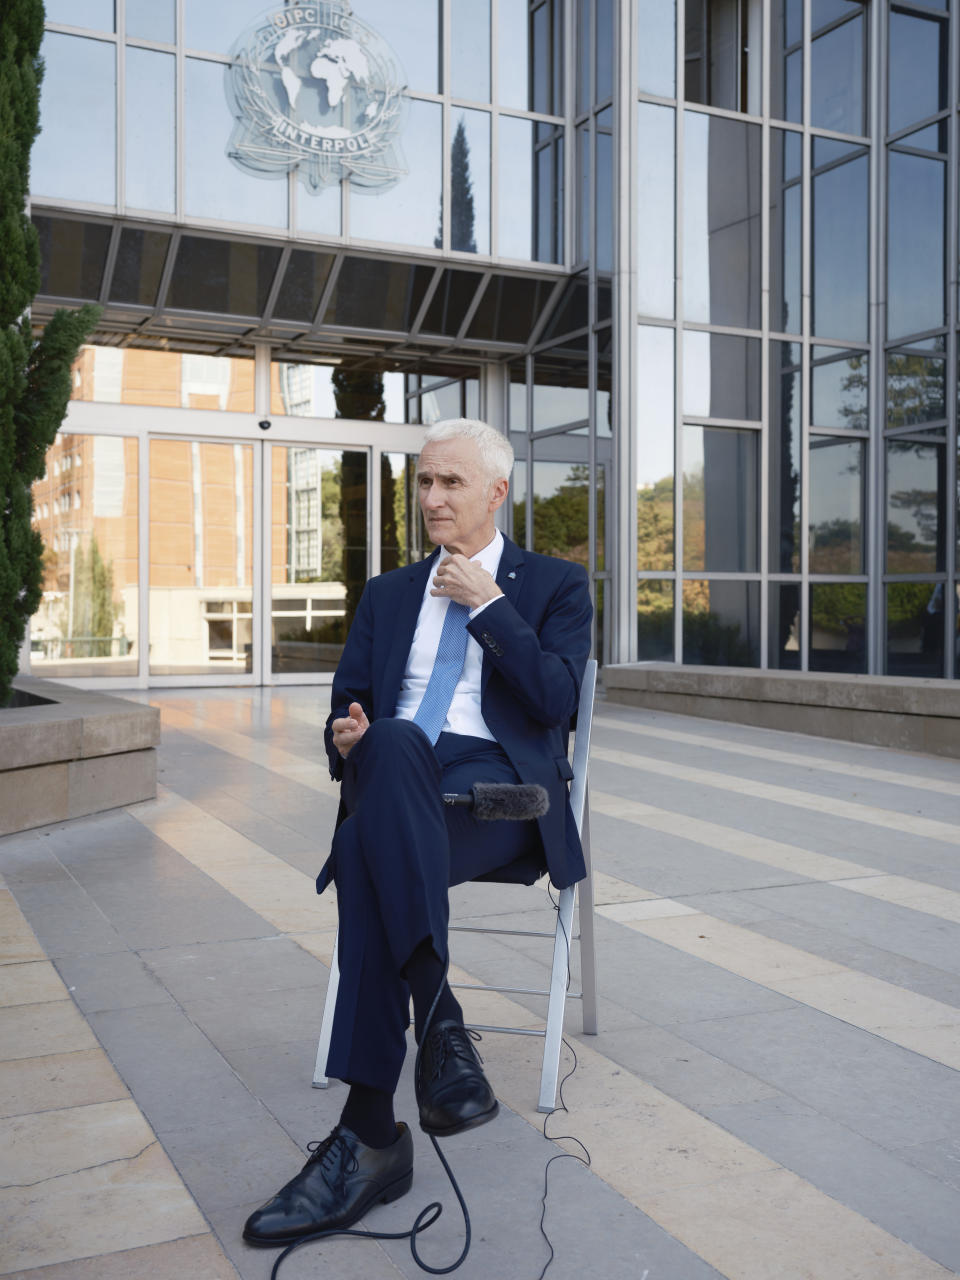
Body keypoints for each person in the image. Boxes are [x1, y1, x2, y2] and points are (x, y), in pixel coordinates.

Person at [243, 418, 592, 1249]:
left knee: (368, 847)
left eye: (451, 484)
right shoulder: (389, 593)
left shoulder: (553, 585)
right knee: (391, 744)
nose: (431, 498)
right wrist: (343, 734)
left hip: (497, 799)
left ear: (497, 492)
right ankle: (434, 1033)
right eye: (425, 483)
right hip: (397, 776)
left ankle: (371, 1140)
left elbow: (554, 703)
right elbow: (348, 706)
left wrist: (493, 608)